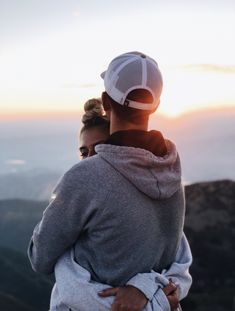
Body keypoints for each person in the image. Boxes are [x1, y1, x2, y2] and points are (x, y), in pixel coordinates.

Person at [28, 52, 192, 311]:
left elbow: (40, 258)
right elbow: (172, 259)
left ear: (106, 101)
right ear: (156, 106)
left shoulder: (84, 178)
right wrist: (148, 285)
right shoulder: (172, 174)